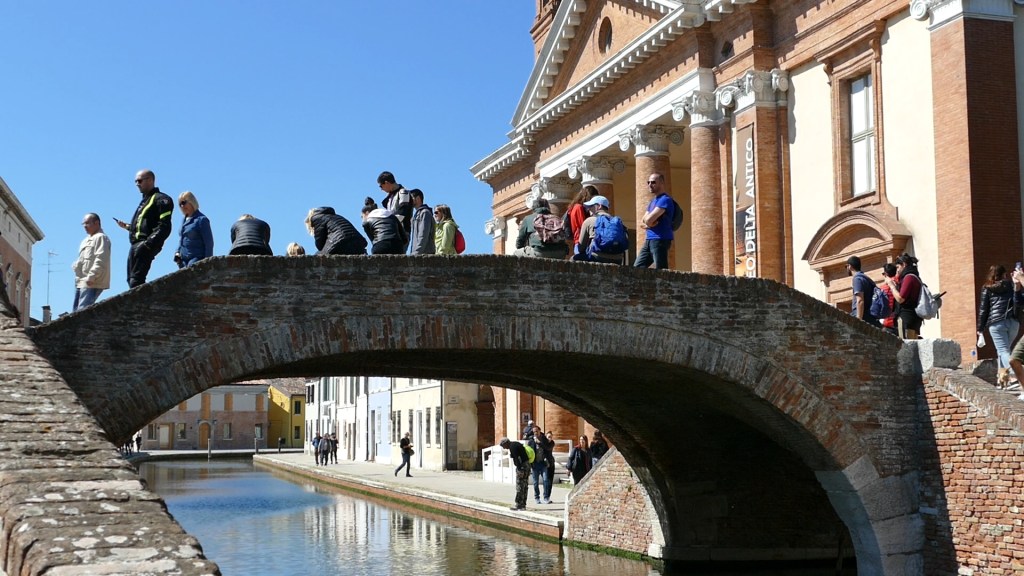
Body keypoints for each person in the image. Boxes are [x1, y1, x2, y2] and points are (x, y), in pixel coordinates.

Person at [116, 169, 173, 288]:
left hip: (145, 244)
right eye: (135, 181)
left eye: (140, 181)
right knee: (131, 280)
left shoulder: (161, 199)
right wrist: (128, 227)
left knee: (136, 280)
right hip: (135, 245)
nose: (137, 184)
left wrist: (148, 244)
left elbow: (165, 226)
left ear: (150, 180)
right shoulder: (144, 201)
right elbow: (144, 225)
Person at [977, 264, 1023, 384]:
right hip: (1013, 322)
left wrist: (980, 328)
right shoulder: (1011, 284)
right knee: (1003, 351)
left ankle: (1016, 373)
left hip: (997, 323)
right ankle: (1002, 379)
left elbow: (983, 309)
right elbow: (1017, 300)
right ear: (1004, 274)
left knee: (1003, 351)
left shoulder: (987, 287)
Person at [634, 172, 675, 269]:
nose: (650, 185)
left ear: (661, 183)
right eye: (648, 182)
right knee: (637, 267)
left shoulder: (665, 200)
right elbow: (643, 221)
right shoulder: (653, 201)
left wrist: (648, 222)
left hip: (660, 239)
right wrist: (650, 223)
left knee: (661, 269)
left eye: (653, 182)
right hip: (649, 239)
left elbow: (648, 220)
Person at [71, 213, 111, 311]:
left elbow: (101, 258)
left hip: (91, 281)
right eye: (83, 224)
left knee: (82, 310)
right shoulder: (85, 240)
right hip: (81, 280)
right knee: (75, 312)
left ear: (96, 223)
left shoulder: (101, 237)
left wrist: (92, 275)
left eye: (87, 223)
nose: (85, 226)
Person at [577, 195, 627, 264]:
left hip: (597, 257)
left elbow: (581, 248)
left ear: (599, 206)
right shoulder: (617, 222)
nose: (588, 209)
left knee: (573, 259)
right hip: (618, 259)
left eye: (591, 206)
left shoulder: (589, 220)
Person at [884, 253, 923, 339]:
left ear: (904, 265)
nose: (897, 271)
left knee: (906, 345)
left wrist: (891, 286)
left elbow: (900, 298)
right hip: (913, 319)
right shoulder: (914, 277)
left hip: (907, 319)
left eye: (898, 267)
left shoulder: (909, 277)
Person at [174, 191, 213, 268]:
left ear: (191, 201)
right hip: (183, 262)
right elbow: (182, 239)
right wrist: (177, 252)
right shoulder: (184, 220)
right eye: (180, 204)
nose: (182, 206)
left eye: (183, 202)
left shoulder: (202, 219)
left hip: (197, 260)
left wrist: (208, 263)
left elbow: (209, 243)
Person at [377, 171, 413, 251]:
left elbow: (402, 213)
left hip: (401, 232)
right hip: (393, 231)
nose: (381, 189)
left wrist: (388, 225)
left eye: (381, 186)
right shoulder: (390, 196)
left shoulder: (403, 193)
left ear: (386, 183)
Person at [499, 437, 531, 510]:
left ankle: (519, 505)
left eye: (503, 446)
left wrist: (519, 469)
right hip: (527, 465)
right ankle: (523, 505)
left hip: (522, 467)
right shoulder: (516, 444)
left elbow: (517, 458)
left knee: (519, 486)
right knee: (525, 486)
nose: (504, 448)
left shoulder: (512, 447)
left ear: (506, 443)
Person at [565, 185, 598, 254]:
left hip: (579, 241)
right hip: (581, 242)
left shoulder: (576, 207)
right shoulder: (579, 208)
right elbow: (583, 225)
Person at [847, 256, 879, 326]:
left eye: (846, 266)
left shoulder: (857, 279)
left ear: (850, 266)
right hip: (869, 316)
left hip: (862, 316)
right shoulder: (866, 278)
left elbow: (860, 300)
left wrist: (858, 320)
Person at [408, 189, 436, 255]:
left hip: (424, 255)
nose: (409, 201)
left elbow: (423, 235)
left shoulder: (425, 213)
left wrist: (416, 253)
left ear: (418, 198)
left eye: (411, 198)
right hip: (418, 254)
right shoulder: (417, 214)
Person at [879, 263, 899, 336]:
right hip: (900, 321)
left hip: (888, 323)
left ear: (886, 274)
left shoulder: (884, 288)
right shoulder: (900, 282)